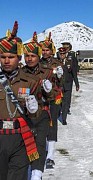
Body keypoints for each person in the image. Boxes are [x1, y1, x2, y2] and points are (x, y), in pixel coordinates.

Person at [0, 21, 40, 180]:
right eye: (2, 57)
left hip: (20, 138)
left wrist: (34, 109)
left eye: (11, 57)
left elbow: (36, 116)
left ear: (18, 58)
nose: (6, 61)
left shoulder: (30, 82)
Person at [23, 32, 56, 179]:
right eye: (27, 56)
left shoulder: (47, 73)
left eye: (33, 56)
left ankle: (37, 174)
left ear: (38, 57)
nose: (29, 59)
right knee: (24, 146)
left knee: (40, 143)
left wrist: (49, 91)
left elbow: (54, 94)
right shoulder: (20, 73)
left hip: (42, 113)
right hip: (24, 116)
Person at [40, 33, 64, 169]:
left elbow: (62, 81)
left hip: (54, 97)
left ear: (52, 51)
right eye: (43, 50)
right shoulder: (37, 62)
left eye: (47, 50)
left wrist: (60, 76)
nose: (45, 52)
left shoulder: (57, 63)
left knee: (52, 123)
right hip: (41, 97)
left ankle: (50, 156)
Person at [60, 42, 80, 125]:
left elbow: (74, 71)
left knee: (66, 100)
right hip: (60, 84)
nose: (65, 48)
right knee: (60, 100)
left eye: (66, 47)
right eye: (64, 46)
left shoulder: (71, 57)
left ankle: (64, 118)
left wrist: (77, 83)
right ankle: (60, 110)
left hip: (68, 82)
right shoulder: (58, 58)